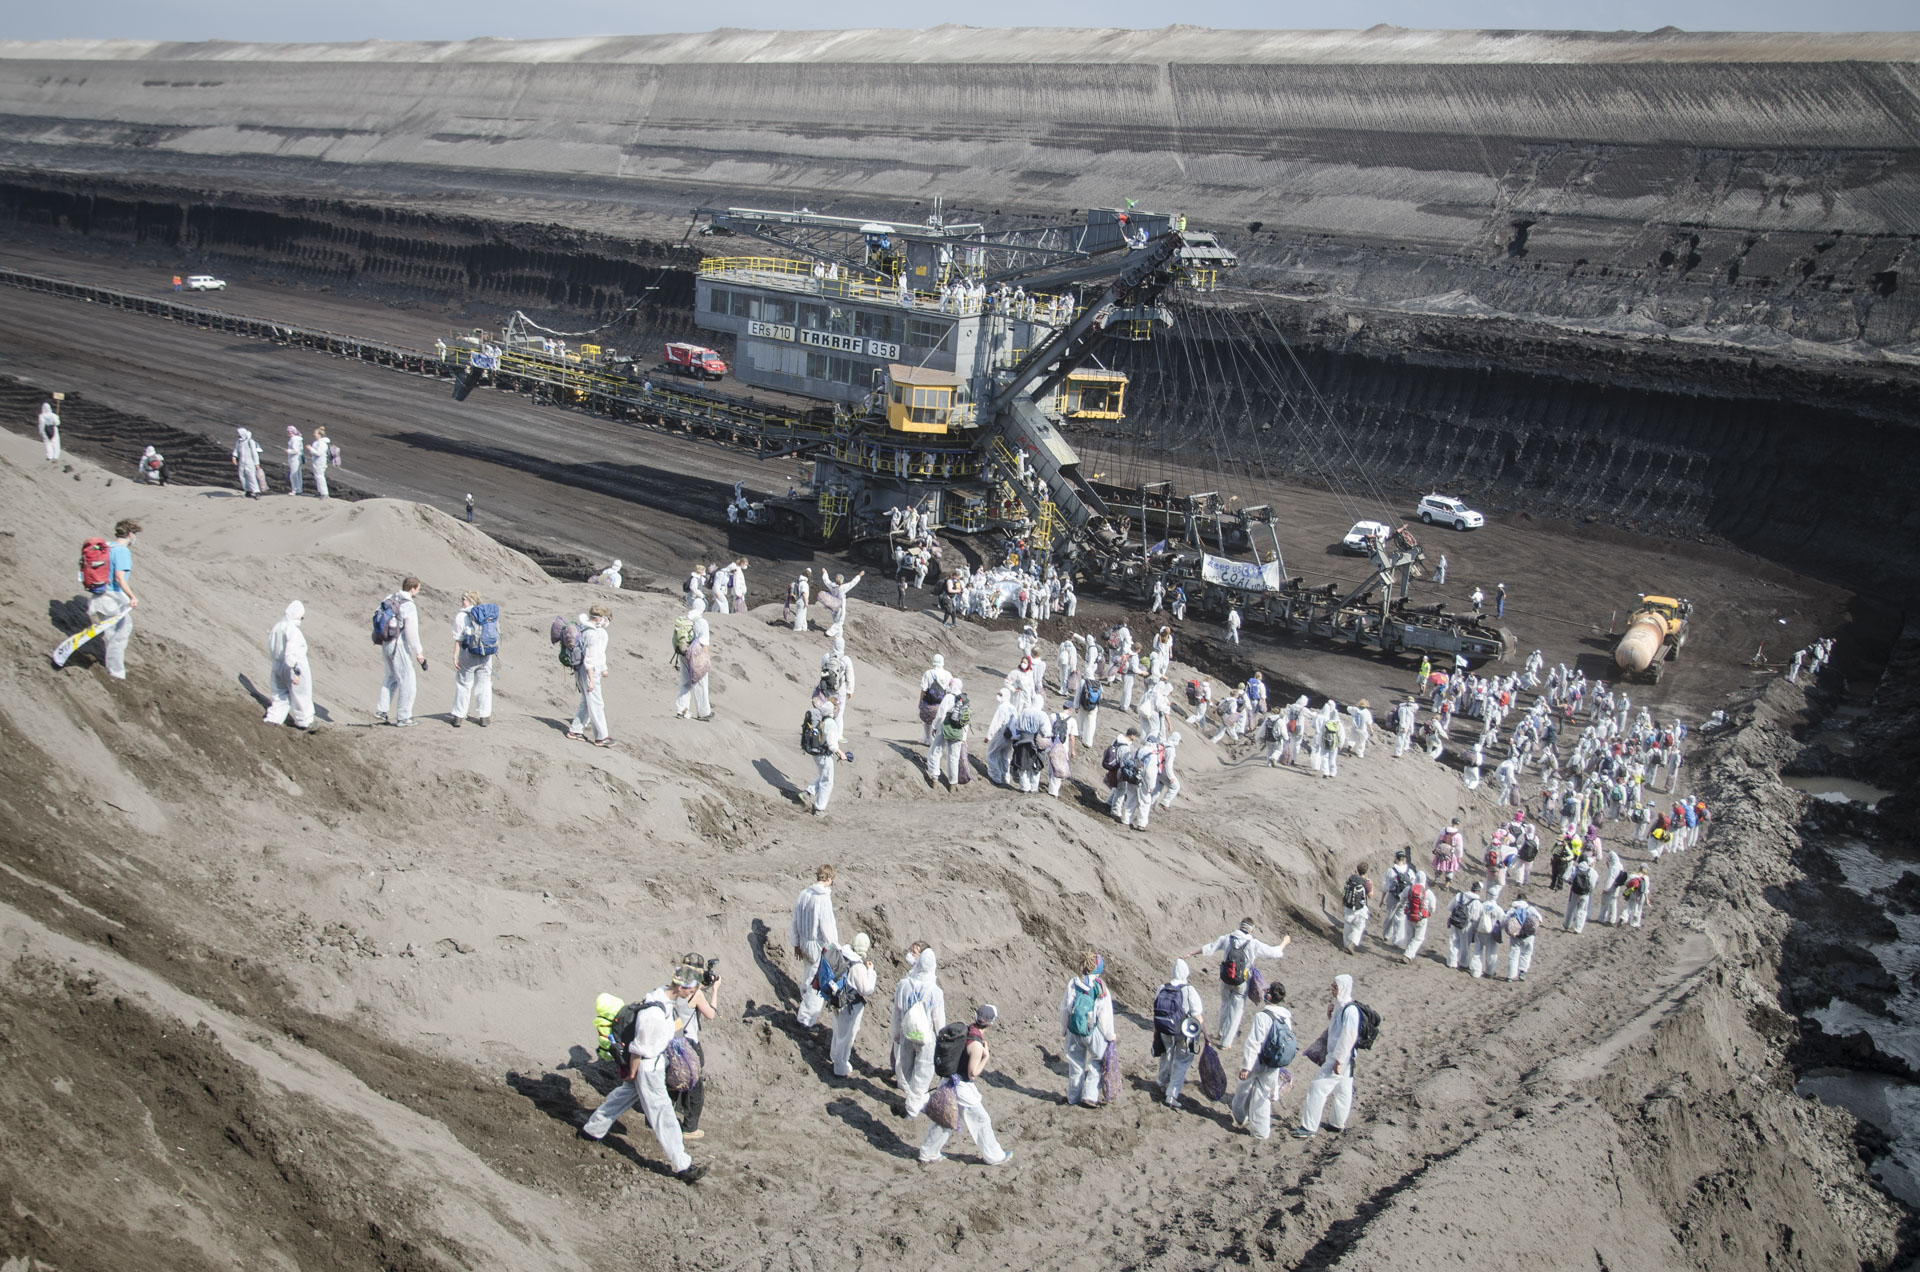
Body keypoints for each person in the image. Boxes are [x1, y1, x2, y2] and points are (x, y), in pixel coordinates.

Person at [577, 965, 709, 1184]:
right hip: (648, 1068)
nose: (694, 992)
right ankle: (683, 1166)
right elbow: (638, 1049)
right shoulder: (654, 1015)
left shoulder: (660, 996)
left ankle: (592, 1130)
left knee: (621, 1098)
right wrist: (632, 1072)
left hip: (651, 1063)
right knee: (663, 1114)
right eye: (693, 988)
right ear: (683, 988)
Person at [918, 1005, 1012, 1166]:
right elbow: (973, 1073)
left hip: (947, 1082)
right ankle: (994, 1156)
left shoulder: (964, 1031)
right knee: (981, 1120)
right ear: (991, 1024)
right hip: (961, 1088)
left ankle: (928, 1153)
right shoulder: (976, 1044)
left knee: (944, 1120)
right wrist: (985, 1057)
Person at [1192, 919, 1291, 1048]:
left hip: (1225, 979)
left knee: (1225, 1005)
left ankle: (1220, 1033)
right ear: (1251, 929)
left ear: (1240, 926)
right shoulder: (1253, 944)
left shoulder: (1227, 938)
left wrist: (1191, 953)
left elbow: (1209, 948)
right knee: (1236, 1012)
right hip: (1242, 982)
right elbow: (1275, 952)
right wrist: (1285, 942)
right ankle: (1225, 1042)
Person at [1294, 975, 1360, 1138]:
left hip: (1339, 1057)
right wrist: (1330, 1016)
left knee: (1317, 1088)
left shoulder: (1350, 1011)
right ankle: (1337, 1123)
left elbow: (1348, 1037)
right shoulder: (1340, 1006)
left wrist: (1338, 1060)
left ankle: (1308, 1127)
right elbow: (1337, 1030)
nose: (1332, 989)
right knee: (1343, 1090)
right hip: (1343, 1057)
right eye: (1332, 986)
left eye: (1335, 987)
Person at [1231, 982, 1296, 1140]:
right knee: (1263, 1096)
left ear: (1269, 996)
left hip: (1259, 1061)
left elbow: (1254, 1042)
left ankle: (1240, 1117)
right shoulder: (1286, 1016)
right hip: (1274, 1062)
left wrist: (1246, 1067)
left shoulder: (1262, 1017)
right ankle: (1261, 1132)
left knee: (1243, 1090)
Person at [668, 955, 720, 1140]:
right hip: (689, 1043)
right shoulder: (695, 993)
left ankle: (661, 1119)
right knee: (695, 1089)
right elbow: (710, 1014)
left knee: (671, 1082)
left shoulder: (673, 986)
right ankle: (690, 1129)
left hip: (672, 1040)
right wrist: (714, 990)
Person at [892, 946, 945, 1118]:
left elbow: (897, 1012)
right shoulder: (935, 992)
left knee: (907, 1069)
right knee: (922, 1073)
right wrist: (942, 1040)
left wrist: (896, 1035)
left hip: (907, 1033)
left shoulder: (904, 985)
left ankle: (913, 1102)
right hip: (927, 1039)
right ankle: (914, 1106)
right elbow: (939, 1020)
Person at [1060, 950, 1117, 1107]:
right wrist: (1110, 1035)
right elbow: (1105, 1016)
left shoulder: (1073, 983)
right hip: (1092, 1031)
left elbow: (1065, 1008)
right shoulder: (1101, 988)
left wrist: (1064, 1029)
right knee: (1097, 1061)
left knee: (1075, 1065)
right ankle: (1090, 1096)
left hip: (1074, 1030)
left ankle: (1073, 1098)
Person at [86, 519, 141, 680]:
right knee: (121, 631)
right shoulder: (122, 551)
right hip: (112, 597)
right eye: (135, 534)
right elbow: (119, 577)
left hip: (99, 595)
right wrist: (132, 597)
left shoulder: (106, 546)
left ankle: (112, 666)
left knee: (113, 630)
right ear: (131, 534)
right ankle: (116, 672)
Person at [790, 865, 839, 1027]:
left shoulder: (804, 894)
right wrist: (835, 948)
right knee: (818, 982)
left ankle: (803, 998)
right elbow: (827, 926)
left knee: (808, 973)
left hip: (804, 942)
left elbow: (795, 920)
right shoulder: (823, 899)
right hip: (817, 945)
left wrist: (796, 943)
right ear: (830, 879)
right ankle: (805, 1019)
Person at [373, 577, 426, 727]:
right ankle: (404, 717)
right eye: (418, 588)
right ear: (413, 589)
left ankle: (381, 710)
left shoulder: (390, 598)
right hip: (399, 645)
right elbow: (411, 632)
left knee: (391, 677)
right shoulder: (408, 605)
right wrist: (418, 652)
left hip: (385, 642)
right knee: (408, 680)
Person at [1153, 959, 1206, 1108]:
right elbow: (1198, 1016)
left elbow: (1156, 1010)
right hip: (1184, 1031)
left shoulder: (1162, 987)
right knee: (1181, 1061)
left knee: (1166, 1055)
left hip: (1164, 1028)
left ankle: (1162, 1083)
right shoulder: (1189, 990)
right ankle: (1172, 1094)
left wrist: (1155, 1031)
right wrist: (1206, 1037)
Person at [829, 933, 879, 1078]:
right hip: (851, 1004)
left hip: (837, 999)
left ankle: (835, 1056)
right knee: (847, 1035)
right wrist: (871, 972)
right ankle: (840, 1066)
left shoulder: (842, 954)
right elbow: (866, 989)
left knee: (838, 1031)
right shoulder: (858, 966)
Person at [262, 600, 317, 730]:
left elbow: (271, 647)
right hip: (292, 667)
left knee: (279, 695)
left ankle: (273, 719)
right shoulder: (293, 630)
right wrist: (295, 671)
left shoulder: (277, 627)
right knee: (301, 694)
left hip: (277, 666)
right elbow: (292, 652)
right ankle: (306, 721)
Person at [566, 605, 613, 745]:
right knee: (597, 703)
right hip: (589, 672)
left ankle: (575, 730)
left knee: (586, 702)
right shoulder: (592, 634)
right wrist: (592, 680)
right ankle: (601, 737)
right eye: (605, 619)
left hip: (580, 670)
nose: (606, 622)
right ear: (599, 618)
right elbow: (590, 659)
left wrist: (603, 668)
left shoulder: (583, 628)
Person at [449, 590, 495, 727]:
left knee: (464, 684)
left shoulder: (461, 616)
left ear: (471, 600)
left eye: (464, 599)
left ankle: (458, 716)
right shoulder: (487, 614)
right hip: (485, 655)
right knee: (485, 685)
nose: (461, 601)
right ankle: (484, 716)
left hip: (468, 653)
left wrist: (455, 655)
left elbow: (458, 638)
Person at [804, 699, 850, 815]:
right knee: (827, 782)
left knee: (823, 776)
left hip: (817, 753)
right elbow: (832, 745)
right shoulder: (830, 723)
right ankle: (819, 809)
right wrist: (841, 754)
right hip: (824, 755)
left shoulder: (821, 719)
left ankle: (808, 793)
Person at [927, 678, 969, 788]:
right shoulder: (965, 700)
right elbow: (966, 720)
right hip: (958, 730)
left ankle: (934, 778)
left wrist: (934, 726)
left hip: (944, 727)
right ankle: (952, 783)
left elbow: (941, 714)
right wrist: (964, 738)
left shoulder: (949, 697)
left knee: (935, 751)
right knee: (954, 757)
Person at [674, 608, 713, 721]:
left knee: (685, 682)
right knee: (701, 682)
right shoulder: (702, 622)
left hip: (683, 653)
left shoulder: (684, 620)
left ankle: (681, 710)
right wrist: (707, 659)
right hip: (696, 653)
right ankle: (704, 712)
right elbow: (704, 642)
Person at [1446, 882, 1484, 971]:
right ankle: (1463, 963)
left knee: (1453, 941)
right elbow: (1475, 917)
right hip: (1467, 924)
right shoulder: (1477, 902)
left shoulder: (1460, 896)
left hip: (1455, 921)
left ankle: (1451, 962)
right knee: (1464, 945)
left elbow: (1450, 907)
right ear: (1478, 891)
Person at [1503, 894, 1540, 980]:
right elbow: (1539, 919)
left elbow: (1505, 919)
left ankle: (1510, 976)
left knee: (1513, 954)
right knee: (1526, 953)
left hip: (1515, 935)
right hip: (1528, 936)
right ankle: (1522, 972)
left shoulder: (1513, 909)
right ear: (1525, 900)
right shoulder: (1530, 909)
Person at [1341, 863, 1373, 953]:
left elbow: (1344, 891)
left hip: (1349, 906)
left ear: (1357, 870)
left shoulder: (1351, 878)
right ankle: (1351, 944)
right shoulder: (1366, 882)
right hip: (1360, 909)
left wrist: (1343, 900)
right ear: (1366, 871)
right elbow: (1371, 896)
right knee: (1358, 928)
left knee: (1347, 926)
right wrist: (1372, 886)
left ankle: (1346, 944)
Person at [232, 427, 266, 498]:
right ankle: (248, 491)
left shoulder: (250, 441)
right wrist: (234, 457)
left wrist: (256, 463)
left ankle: (257, 491)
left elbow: (254, 453)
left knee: (251, 477)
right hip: (242, 462)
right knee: (243, 477)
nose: (238, 435)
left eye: (239, 433)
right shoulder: (239, 441)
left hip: (250, 462)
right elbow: (236, 450)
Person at [308, 427, 332, 498]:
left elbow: (319, 453)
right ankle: (320, 491)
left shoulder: (322, 443)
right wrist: (311, 449)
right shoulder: (316, 442)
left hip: (320, 461)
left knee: (320, 476)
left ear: (319, 434)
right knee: (317, 476)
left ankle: (325, 493)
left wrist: (311, 449)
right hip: (316, 461)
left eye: (315, 433)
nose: (314, 434)